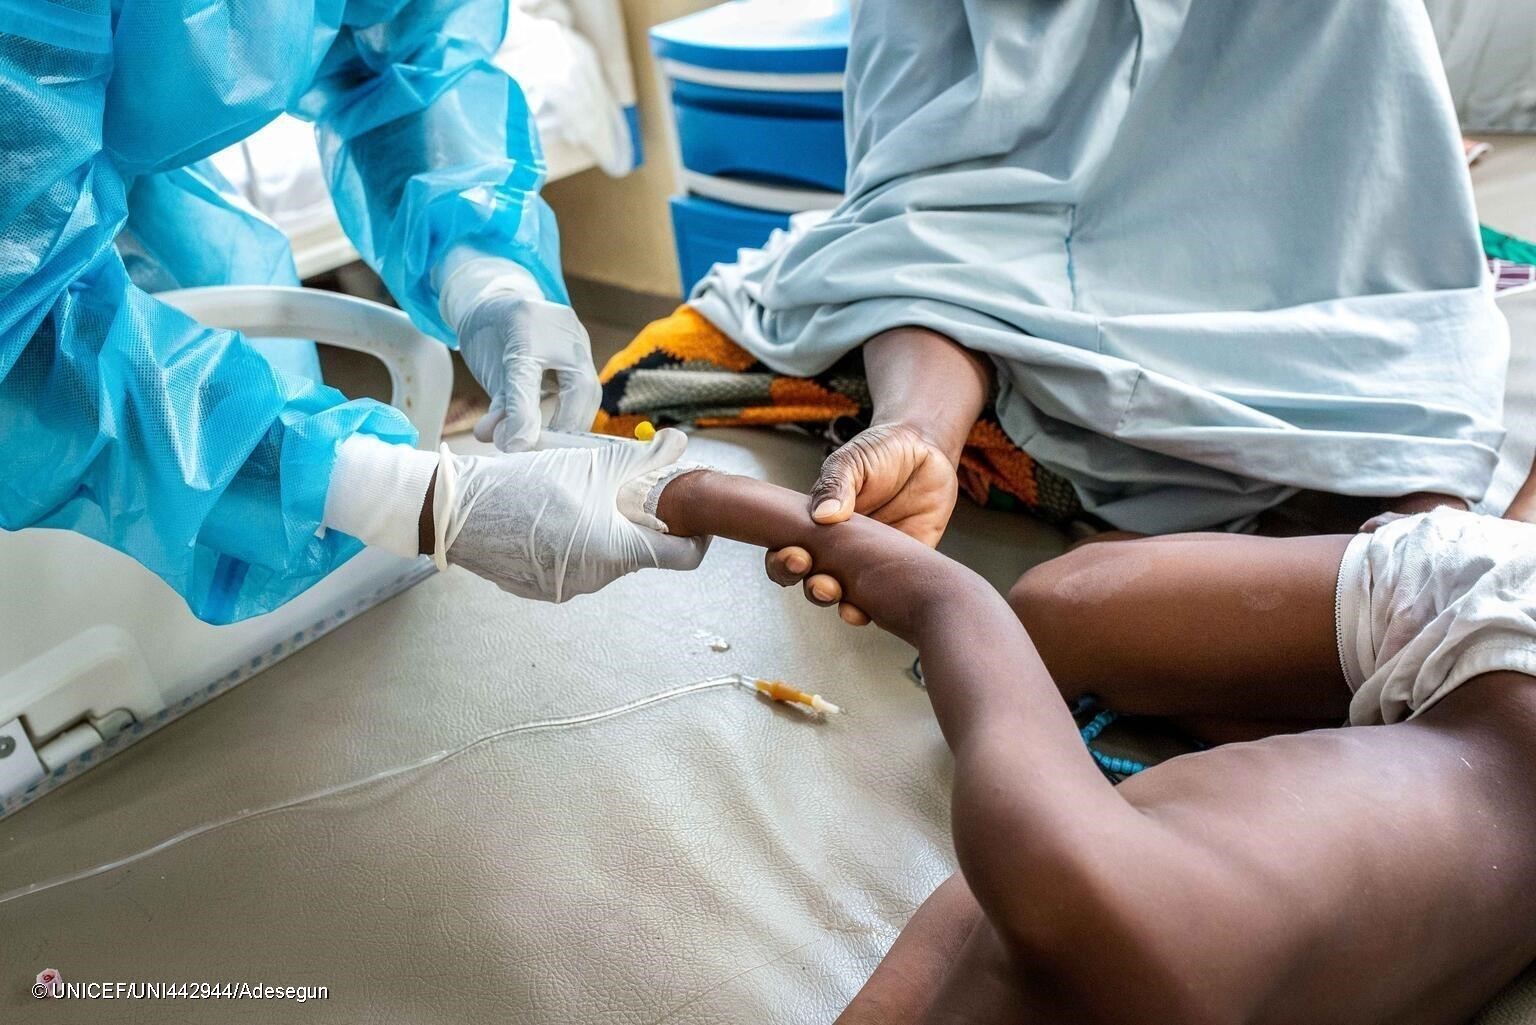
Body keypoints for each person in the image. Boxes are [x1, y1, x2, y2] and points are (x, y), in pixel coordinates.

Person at [663, 1, 1512, 616]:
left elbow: (1402, 307)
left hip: (1324, 366)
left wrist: (1433, 560)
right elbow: (921, 227)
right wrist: (921, 428)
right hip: (1018, 346)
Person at [640, 465, 1536, 1024]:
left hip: (1479, 724)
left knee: (1057, 617)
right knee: (1039, 620)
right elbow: (950, 600)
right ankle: (1441, 513)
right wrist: (683, 496)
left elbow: (962, 924)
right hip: (1507, 629)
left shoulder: (1069, 911)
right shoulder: (1077, 891)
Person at [0, 1, 702, 624]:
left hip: (94, 191)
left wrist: (483, 267)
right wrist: (411, 499)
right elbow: (22, 333)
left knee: (241, 509)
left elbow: (400, 57)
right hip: (20, 236)